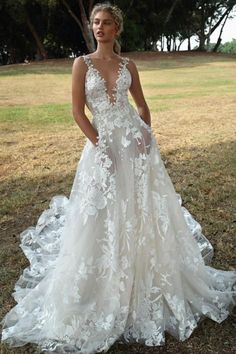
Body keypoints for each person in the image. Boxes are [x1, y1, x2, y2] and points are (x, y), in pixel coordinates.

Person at [1, 2, 235, 354]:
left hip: (136, 150)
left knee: (140, 212)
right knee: (103, 216)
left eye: (106, 22)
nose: (99, 27)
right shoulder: (82, 63)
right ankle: (105, 284)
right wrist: (99, 145)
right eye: (95, 22)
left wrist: (145, 134)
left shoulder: (129, 65)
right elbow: (77, 112)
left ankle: (147, 277)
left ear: (116, 29)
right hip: (102, 150)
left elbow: (142, 105)